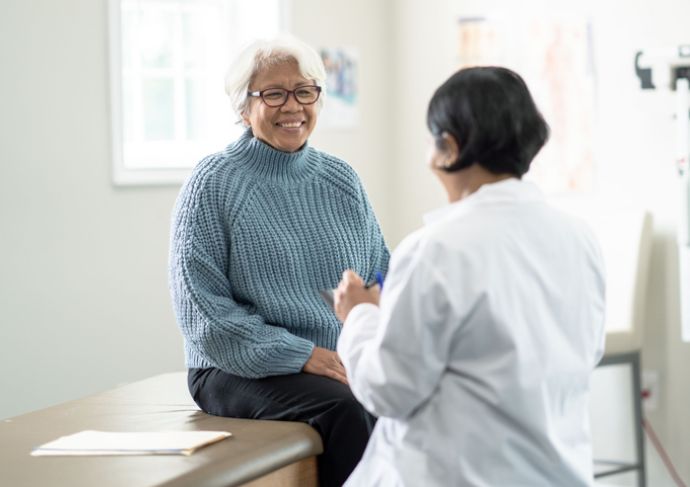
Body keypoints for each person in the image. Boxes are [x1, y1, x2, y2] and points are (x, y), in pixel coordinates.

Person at [333, 66, 606, 486]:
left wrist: (360, 317)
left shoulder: (434, 248)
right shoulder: (580, 237)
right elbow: (586, 353)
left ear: (448, 147)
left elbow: (388, 390)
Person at [168, 35, 389, 487]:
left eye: (305, 91)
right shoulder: (213, 183)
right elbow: (206, 319)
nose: (293, 106)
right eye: (274, 94)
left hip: (334, 359)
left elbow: (378, 274)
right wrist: (302, 354)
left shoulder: (341, 180)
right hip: (231, 365)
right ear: (243, 108)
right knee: (346, 408)